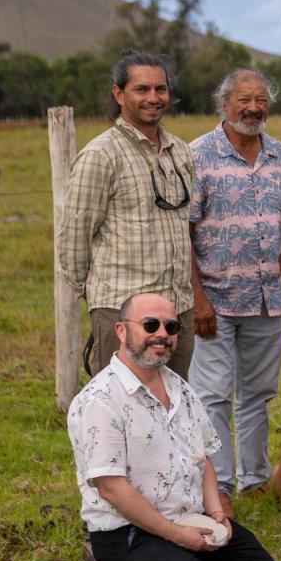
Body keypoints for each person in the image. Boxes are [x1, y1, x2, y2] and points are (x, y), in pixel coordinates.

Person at [68, 292, 280, 561]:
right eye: (150, 325)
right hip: (127, 530)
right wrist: (177, 536)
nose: (162, 335)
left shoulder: (180, 387)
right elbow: (112, 490)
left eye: (171, 327)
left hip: (187, 516)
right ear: (122, 331)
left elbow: (202, 456)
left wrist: (217, 514)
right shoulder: (100, 401)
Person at [187, 67, 281, 498]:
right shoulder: (197, 157)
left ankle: (255, 479)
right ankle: (219, 484)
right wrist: (197, 299)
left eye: (261, 100)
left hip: (266, 300)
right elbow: (181, 233)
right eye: (244, 99)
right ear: (224, 104)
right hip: (214, 302)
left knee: (257, 394)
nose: (253, 108)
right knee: (211, 395)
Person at [57, 50, 197, 378]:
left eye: (160, 89)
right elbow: (73, 241)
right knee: (120, 411)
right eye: (141, 89)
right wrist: (102, 304)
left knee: (172, 409)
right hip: (123, 312)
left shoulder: (180, 151)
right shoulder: (101, 155)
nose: (153, 98)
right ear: (119, 94)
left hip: (177, 310)